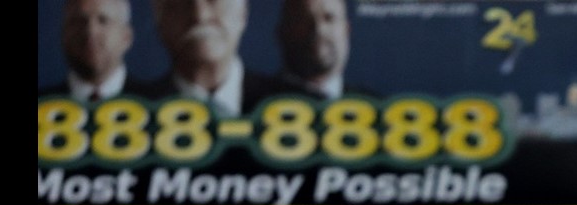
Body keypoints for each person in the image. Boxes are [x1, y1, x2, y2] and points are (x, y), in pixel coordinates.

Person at [147, 0, 276, 116]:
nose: (200, 15)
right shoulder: (140, 109)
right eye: (180, 2)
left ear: (243, 10)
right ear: (158, 15)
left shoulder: (291, 100)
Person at [40, 0, 151, 101]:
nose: (91, 31)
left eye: (103, 20)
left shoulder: (154, 103)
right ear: (64, 34)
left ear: (126, 37)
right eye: (79, 21)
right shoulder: (41, 107)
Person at [270, 0, 356, 101]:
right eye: (303, 19)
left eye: (329, 18)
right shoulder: (253, 104)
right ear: (282, 32)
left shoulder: (375, 106)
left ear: (346, 31)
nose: (319, 29)